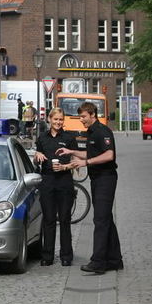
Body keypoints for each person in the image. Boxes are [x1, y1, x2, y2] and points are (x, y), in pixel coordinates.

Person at [56, 101, 123, 275]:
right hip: (97, 179)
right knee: (105, 218)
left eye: (84, 117)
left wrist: (85, 163)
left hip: (105, 179)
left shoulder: (103, 131)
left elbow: (109, 155)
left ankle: (98, 262)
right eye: (80, 117)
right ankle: (115, 260)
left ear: (93, 115)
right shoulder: (91, 132)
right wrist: (71, 152)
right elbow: (91, 154)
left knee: (100, 220)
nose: (81, 120)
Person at [33, 108, 75, 266]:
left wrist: (65, 167)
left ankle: (66, 256)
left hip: (64, 181)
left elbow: (76, 164)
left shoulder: (69, 138)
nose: (58, 122)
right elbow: (36, 162)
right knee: (49, 219)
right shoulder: (42, 138)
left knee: (65, 219)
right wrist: (36, 157)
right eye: (55, 119)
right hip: (47, 181)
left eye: (61, 119)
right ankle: (47, 256)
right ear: (49, 119)